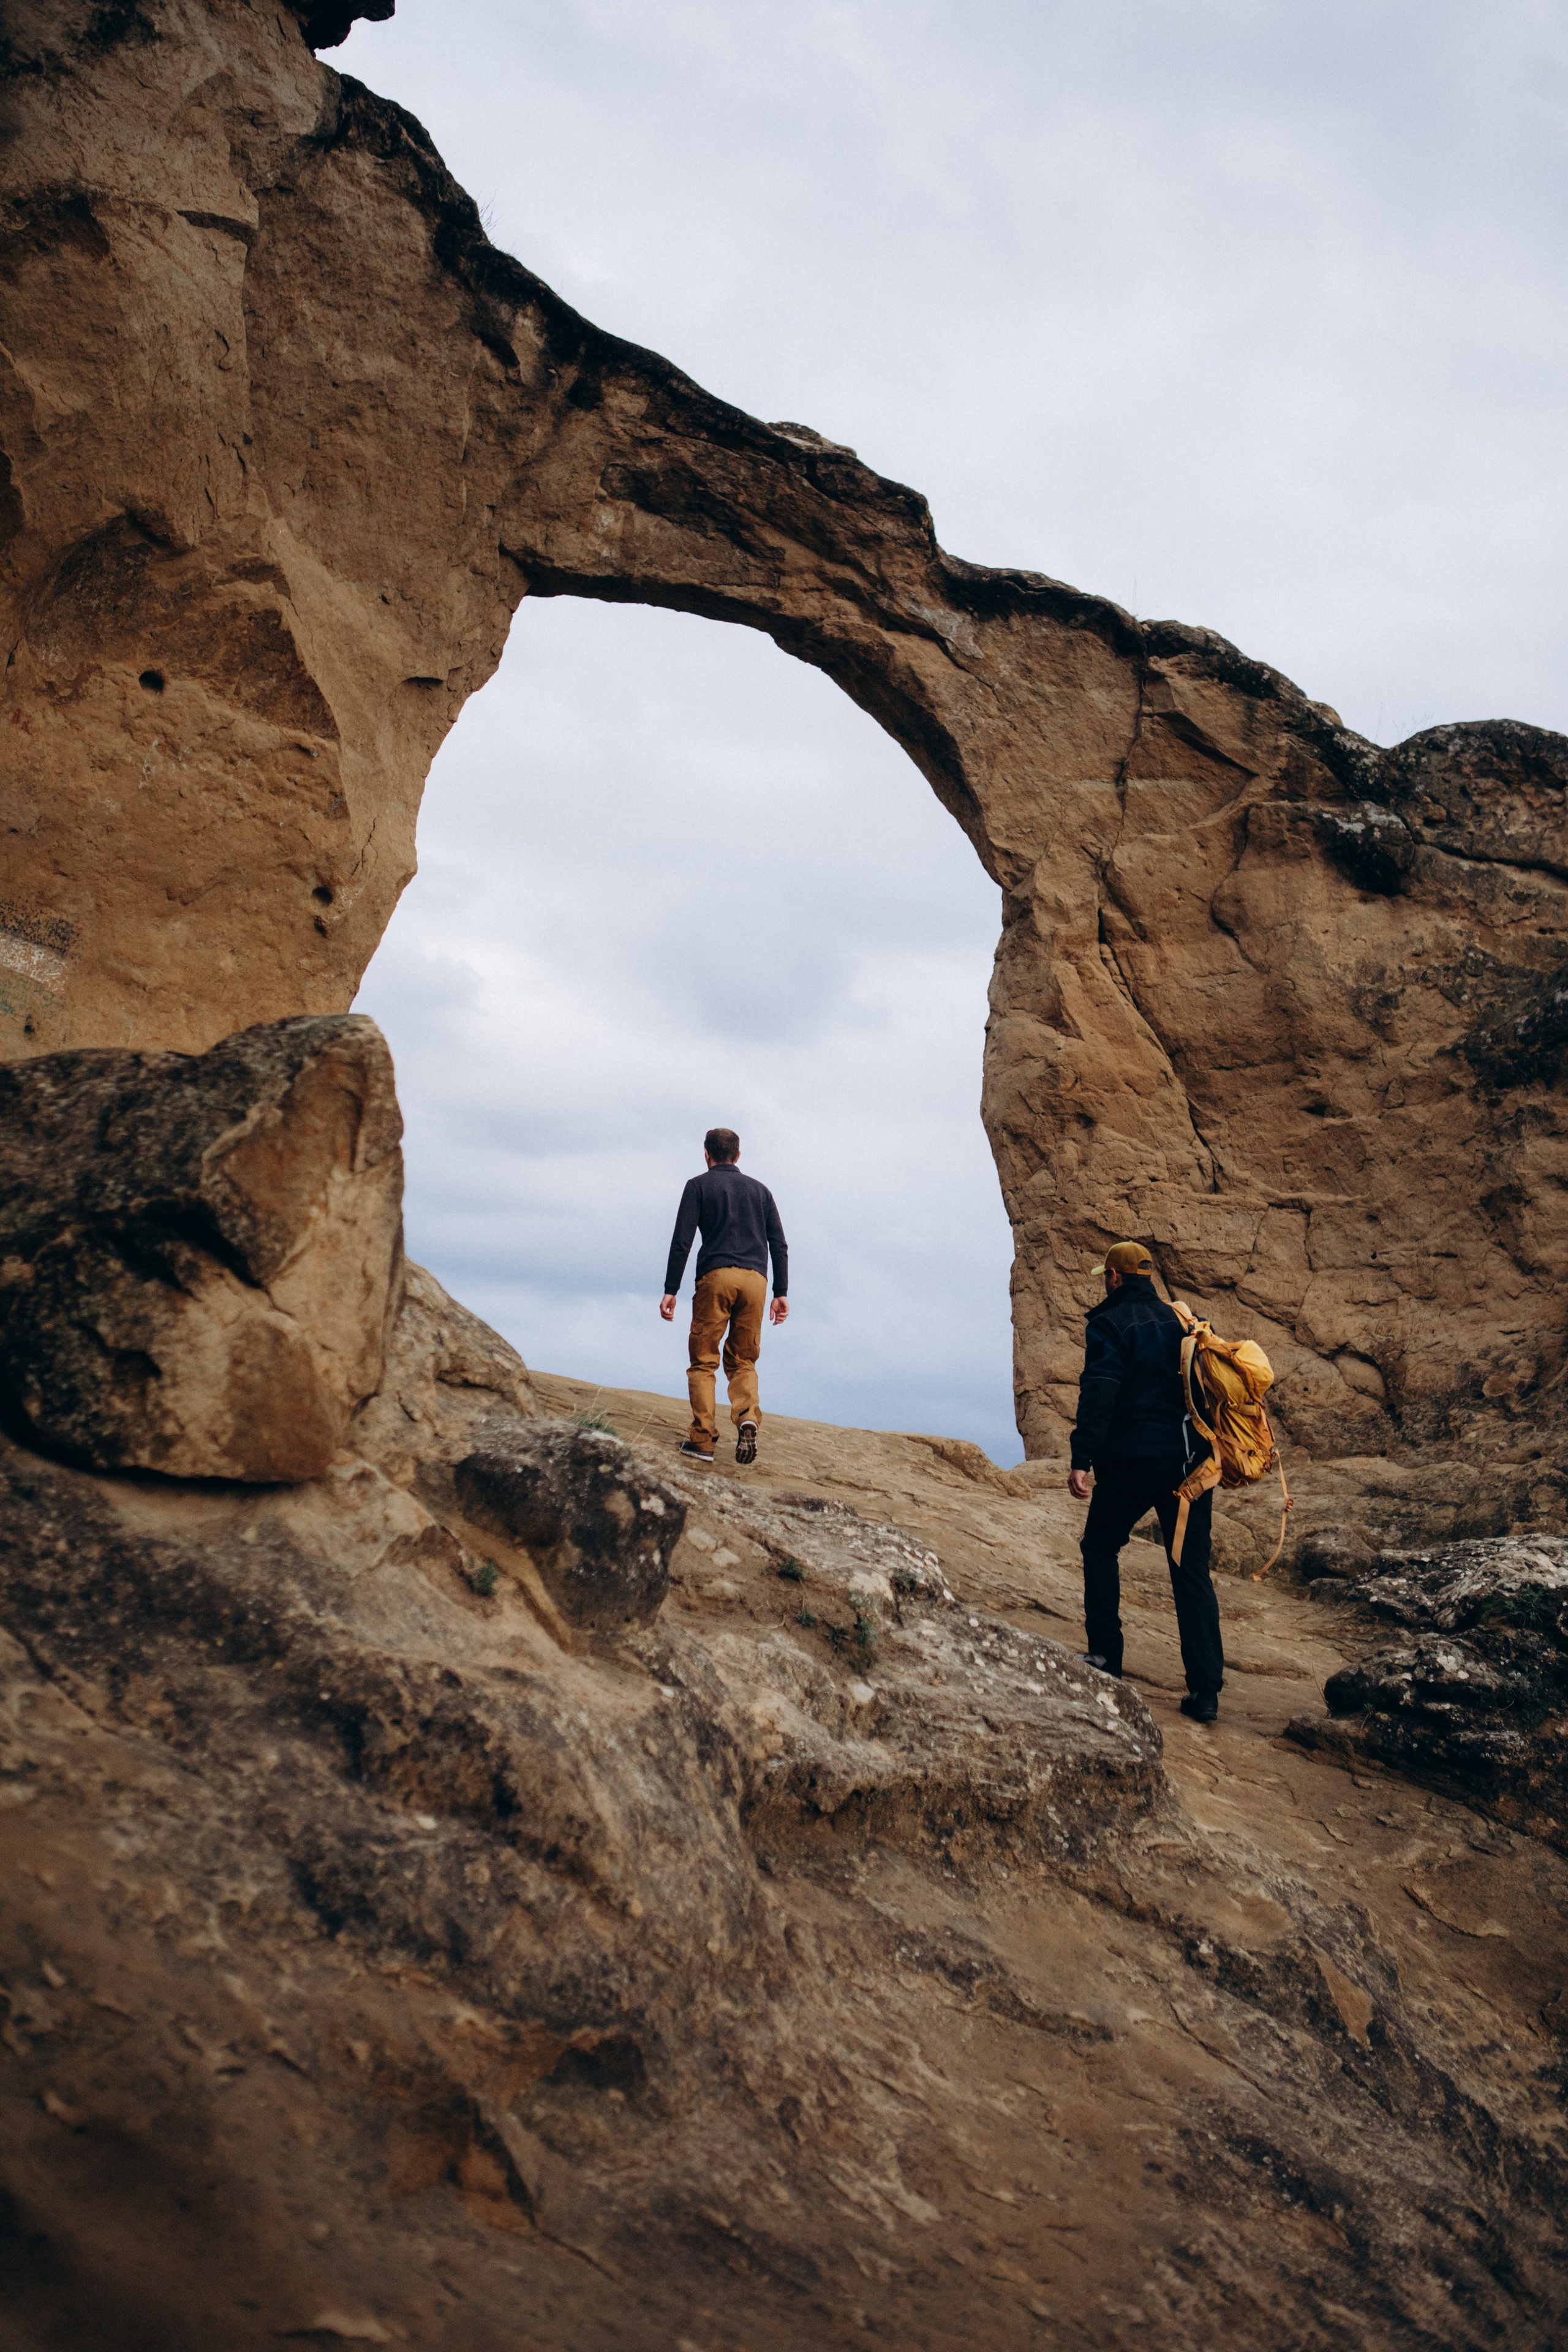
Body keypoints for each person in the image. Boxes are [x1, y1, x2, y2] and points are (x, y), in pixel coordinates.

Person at [1066, 1240, 1225, 1722]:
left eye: (1106, 1276)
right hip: (1190, 1467)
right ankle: (1205, 1692)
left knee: (1100, 1546)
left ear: (1114, 1277)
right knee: (1190, 1570)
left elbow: (1101, 1392)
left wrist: (1082, 1458)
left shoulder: (1110, 1324)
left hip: (1134, 1462)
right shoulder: (1184, 1320)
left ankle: (1106, 1658)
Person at [660, 1128, 789, 1467]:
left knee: (704, 1359)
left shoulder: (698, 1186)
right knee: (744, 1360)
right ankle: (747, 1417)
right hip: (757, 1281)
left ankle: (702, 1442)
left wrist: (670, 1289)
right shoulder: (762, 1192)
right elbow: (779, 1244)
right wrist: (781, 1292)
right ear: (738, 1155)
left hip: (717, 1276)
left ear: (706, 1154)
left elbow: (682, 1242)